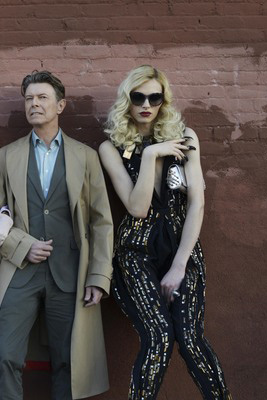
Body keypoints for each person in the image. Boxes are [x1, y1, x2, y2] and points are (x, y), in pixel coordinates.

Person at [0, 70, 114, 400]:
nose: (34, 104)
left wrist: (98, 276)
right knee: (5, 355)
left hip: (70, 273)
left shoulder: (86, 156)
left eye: (42, 98)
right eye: (29, 99)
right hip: (18, 272)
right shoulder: (7, 156)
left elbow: (102, 222)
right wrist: (21, 245)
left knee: (68, 361)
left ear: (60, 105)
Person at [98, 65, 231, 400]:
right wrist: (151, 154)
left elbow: (197, 204)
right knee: (157, 336)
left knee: (190, 338)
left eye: (154, 98)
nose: (146, 105)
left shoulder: (186, 138)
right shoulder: (110, 147)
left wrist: (179, 265)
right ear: (127, 100)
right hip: (136, 252)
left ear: (163, 100)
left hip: (181, 249)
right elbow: (137, 208)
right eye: (138, 97)